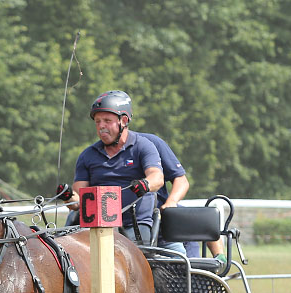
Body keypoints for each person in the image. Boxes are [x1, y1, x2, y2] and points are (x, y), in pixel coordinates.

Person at [59, 90, 164, 245]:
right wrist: (68, 196)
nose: (101, 126)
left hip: (134, 224)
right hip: (95, 225)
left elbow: (157, 177)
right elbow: (79, 201)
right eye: (97, 121)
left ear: (123, 120)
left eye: (107, 121)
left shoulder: (143, 146)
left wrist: (145, 184)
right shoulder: (87, 155)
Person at [140, 132, 226, 261]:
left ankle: (219, 259)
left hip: (164, 223)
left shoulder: (150, 142)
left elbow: (181, 180)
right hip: (128, 228)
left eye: (107, 120)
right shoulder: (98, 151)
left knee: (197, 221)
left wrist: (171, 202)